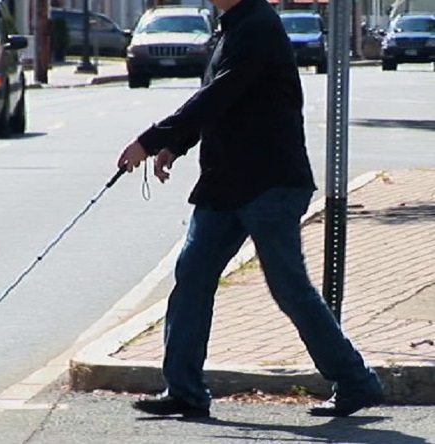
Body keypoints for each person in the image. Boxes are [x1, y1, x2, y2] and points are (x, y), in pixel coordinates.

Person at [117, 0, 384, 418]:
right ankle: (185, 390)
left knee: (289, 287)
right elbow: (216, 102)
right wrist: (175, 144)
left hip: (270, 182)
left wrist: (152, 139)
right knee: (192, 273)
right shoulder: (231, 28)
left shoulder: (259, 27)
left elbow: (221, 92)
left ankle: (355, 380)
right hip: (225, 184)